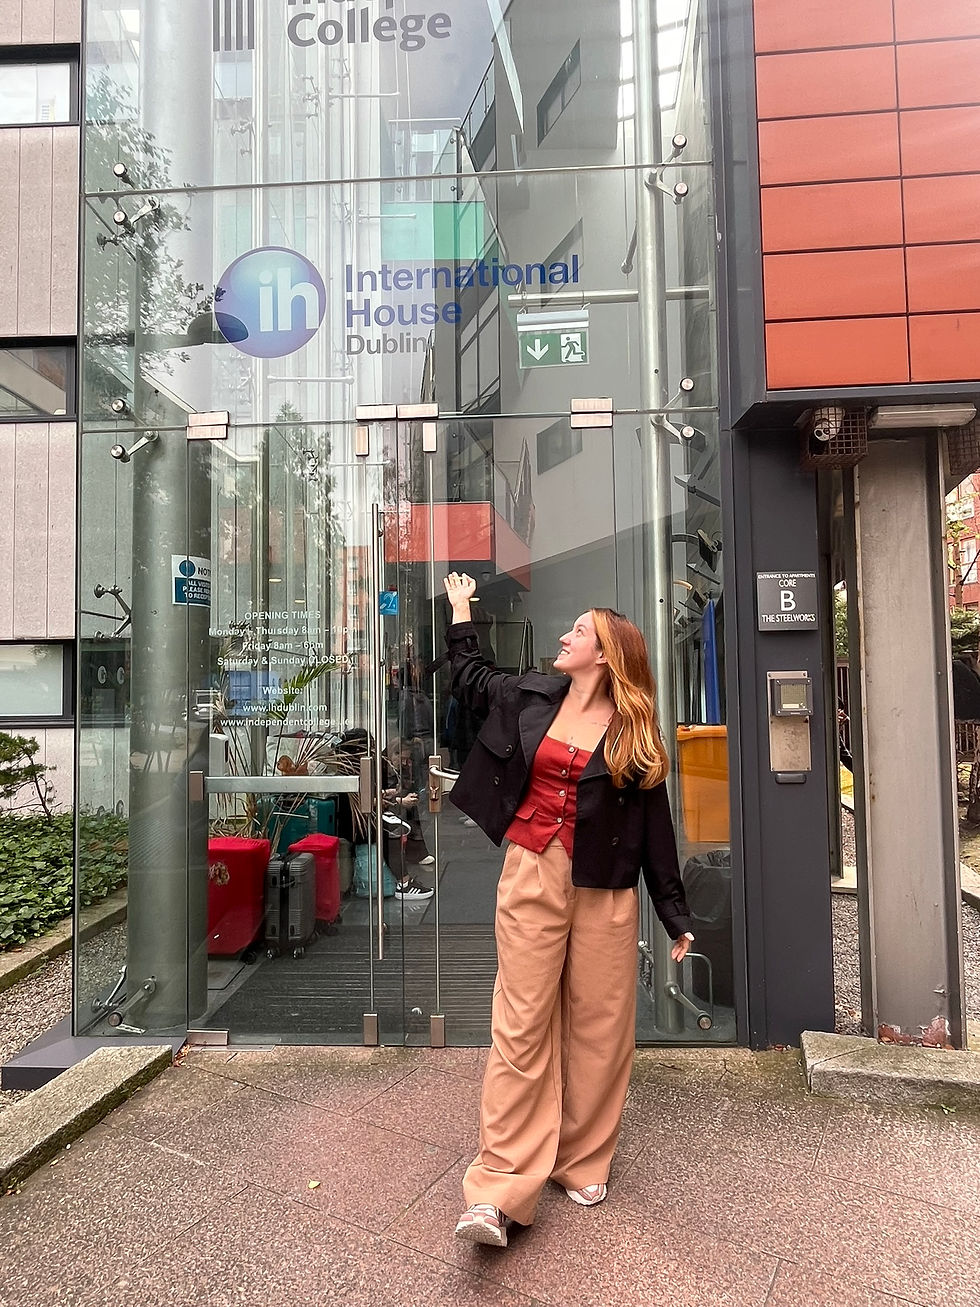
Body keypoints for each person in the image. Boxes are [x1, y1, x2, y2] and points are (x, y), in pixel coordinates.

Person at [442, 571, 695, 1248]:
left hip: (606, 888)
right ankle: (498, 1188)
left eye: (578, 631)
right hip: (532, 871)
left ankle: (580, 1159)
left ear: (605, 654)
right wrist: (461, 610)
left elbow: (656, 827)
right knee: (520, 1022)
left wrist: (673, 913)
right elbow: (469, 677)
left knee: (600, 1026)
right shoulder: (531, 694)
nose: (564, 636)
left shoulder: (635, 731)